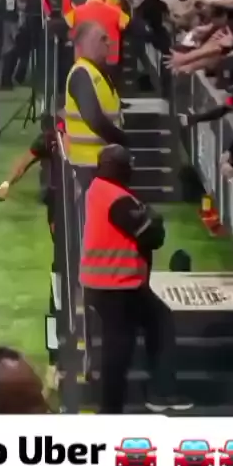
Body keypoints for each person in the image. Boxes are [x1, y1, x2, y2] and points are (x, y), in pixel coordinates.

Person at [80, 145, 192, 414]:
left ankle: (159, 393)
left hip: (111, 284)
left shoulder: (98, 188)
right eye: (128, 165)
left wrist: (150, 217)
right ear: (121, 168)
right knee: (119, 351)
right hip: (117, 287)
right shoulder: (117, 198)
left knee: (158, 323)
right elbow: (152, 235)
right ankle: (114, 410)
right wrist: (153, 218)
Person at [65, 22, 125, 191]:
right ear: (84, 44)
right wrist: (122, 140)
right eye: (102, 39)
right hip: (89, 165)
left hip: (102, 163)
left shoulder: (96, 72)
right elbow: (93, 118)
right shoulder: (82, 73)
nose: (109, 42)